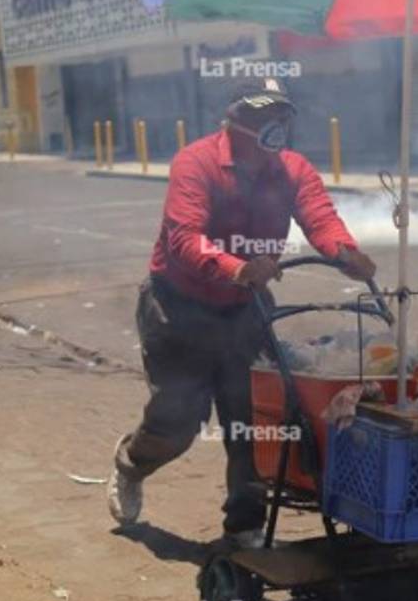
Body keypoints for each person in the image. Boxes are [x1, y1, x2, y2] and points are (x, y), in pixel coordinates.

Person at [107, 78, 376, 550]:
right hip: (179, 311)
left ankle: (244, 526)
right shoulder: (197, 163)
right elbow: (184, 238)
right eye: (261, 116)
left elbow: (320, 216)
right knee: (178, 424)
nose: (274, 126)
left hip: (245, 313)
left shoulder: (292, 169)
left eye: (281, 116)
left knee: (251, 421)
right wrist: (237, 267)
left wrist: (345, 251)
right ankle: (132, 462)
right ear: (232, 119)